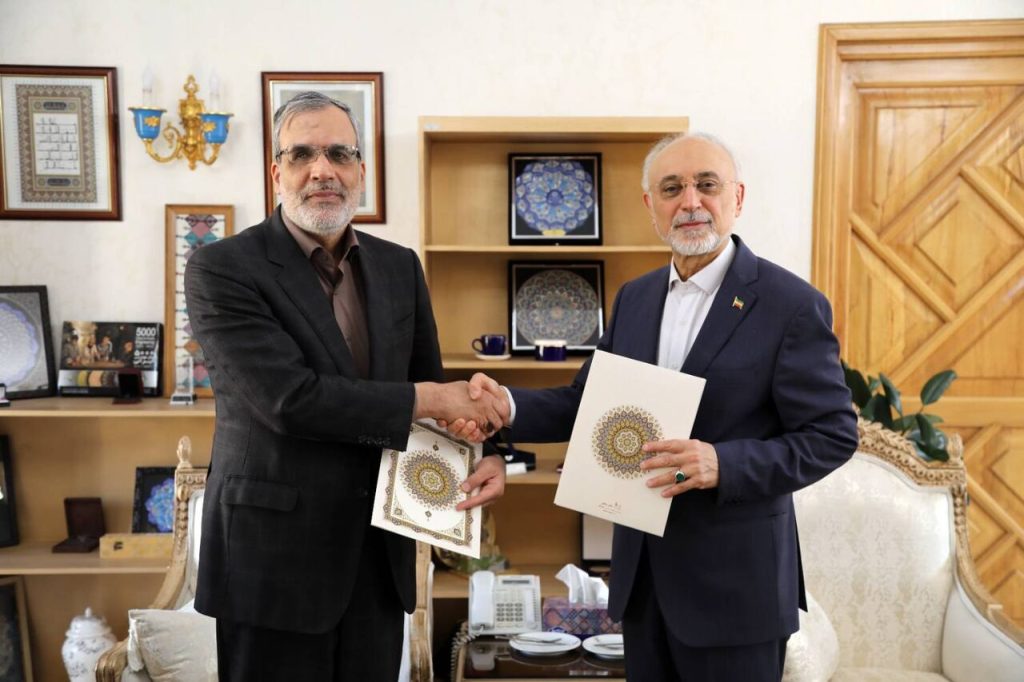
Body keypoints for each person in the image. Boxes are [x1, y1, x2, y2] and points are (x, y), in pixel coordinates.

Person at [452, 132, 858, 681]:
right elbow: (587, 402)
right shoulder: (635, 298)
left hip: (737, 594)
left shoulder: (791, 305)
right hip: (642, 586)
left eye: (707, 185)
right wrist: (505, 403)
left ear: (737, 197)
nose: (690, 202)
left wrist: (723, 463)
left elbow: (833, 435)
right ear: (651, 206)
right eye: (672, 188)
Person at [184, 91, 508, 681]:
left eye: (339, 153)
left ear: (361, 170)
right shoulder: (222, 268)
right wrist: (437, 398)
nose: (322, 170)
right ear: (276, 172)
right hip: (272, 565)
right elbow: (289, 400)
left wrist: (479, 449)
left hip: (378, 557)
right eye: (302, 154)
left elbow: (432, 397)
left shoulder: (399, 267)